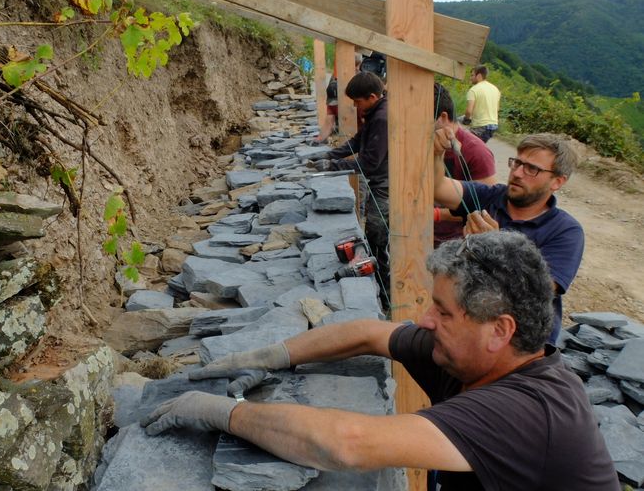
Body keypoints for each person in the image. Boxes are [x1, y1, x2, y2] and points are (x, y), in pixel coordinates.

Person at [140, 231, 618, 490]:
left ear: (500, 330)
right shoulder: (471, 355)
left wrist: (222, 413)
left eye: (443, 311)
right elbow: (369, 334)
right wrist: (271, 355)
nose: (424, 321)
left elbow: (346, 444)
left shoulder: (529, 412)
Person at [433, 130, 583, 342]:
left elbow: (538, 291)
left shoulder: (565, 231)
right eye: (517, 163)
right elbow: (438, 187)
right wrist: (436, 154)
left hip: (519, 341)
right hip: (470, 325)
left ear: (557, 182)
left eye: (532, 169)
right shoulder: (492, 197)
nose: (518, 173)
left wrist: (495, 246)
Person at [311, 71, 389, 284]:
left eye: (357, 101)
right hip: (380, 180)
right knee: (374, 230)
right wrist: (330, 154)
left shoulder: (382, 118)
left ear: (372, 97)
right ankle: (377, 274)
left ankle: (384, 284)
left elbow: (370, 162)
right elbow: (357, 141)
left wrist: (333, 165)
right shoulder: (375, 113)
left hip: (387, 184)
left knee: (377, 232)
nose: (355, 106)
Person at [432, 83, 497, 246]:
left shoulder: (477, 152)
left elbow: (485, 209)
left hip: (454, 242)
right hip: (421, 232)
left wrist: (437, 214)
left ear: (443, 118)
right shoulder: (421, 145)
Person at [463, 65, 501, 143]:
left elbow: (469, 111)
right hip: (493, 125)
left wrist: (466, 119)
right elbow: (497, 109)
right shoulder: (495, 89)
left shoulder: (474, 89)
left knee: (466, 146)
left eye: (472, 75)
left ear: (479, 76)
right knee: (476, 147)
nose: (470, 78)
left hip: (481, 126)